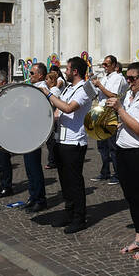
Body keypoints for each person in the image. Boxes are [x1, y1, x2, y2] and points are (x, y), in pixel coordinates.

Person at [106, 60, 139, 259]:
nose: (129, 82)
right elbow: (127, 122)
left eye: (133, 78)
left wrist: (120, 109)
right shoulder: (129, 95)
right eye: (127, 78)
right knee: (130, 197)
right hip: (124, 151)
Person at [47, 56, 93, 233]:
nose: (64, 72)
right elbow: (60, 110)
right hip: (61, 139)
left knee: (74, 182)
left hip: (74, 141)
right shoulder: (69, 88)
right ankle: (69, 213)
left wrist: (49, 94)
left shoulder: (84, 89)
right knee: (65, 181)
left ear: (75, 71)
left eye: (67, 69)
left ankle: (79, 218)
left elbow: (68, 108)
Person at [91, 55, 126, 185]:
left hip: (111, 113)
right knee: (102, 145)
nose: (104, 67)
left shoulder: (118, 78)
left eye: (106, 65)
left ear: (114, 65)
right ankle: (105, 172)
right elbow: (99, 94)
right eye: (103, 65)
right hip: (101, 112)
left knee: (113, 146)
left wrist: (99, 85)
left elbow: (113, 95)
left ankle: (118, 173)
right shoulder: (105, 77)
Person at [21, 63, 48, 212]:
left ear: (40, 75)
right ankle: (33, 196)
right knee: (29, 168)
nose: (29, 76)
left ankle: (40, 199)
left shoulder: (42, 89)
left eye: (32, 73)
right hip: (28, 131)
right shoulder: (32, 88)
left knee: (34, 167)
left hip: (35, 132)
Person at [45, 64, 65, 169]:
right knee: (51, 141)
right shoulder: (52, 90)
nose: (45, 81)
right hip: (52, 118)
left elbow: (54, 104)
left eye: (47, 79)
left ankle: (53, 160)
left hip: (55, 119)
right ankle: (53, 159)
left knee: (52, 141)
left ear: (52, 81)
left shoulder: (54, 91)